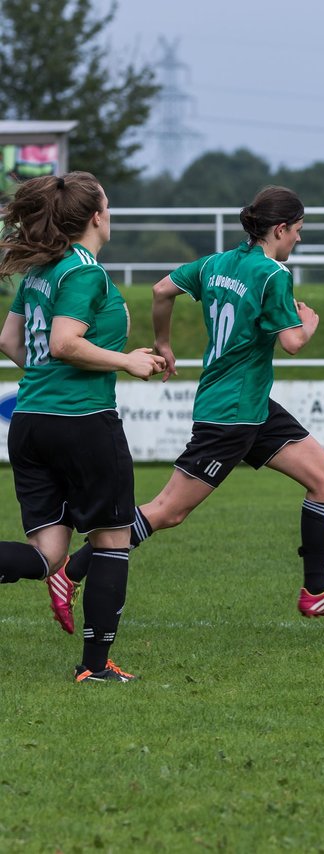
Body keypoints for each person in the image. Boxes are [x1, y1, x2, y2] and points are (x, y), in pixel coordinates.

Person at [50, 186, 324, 626]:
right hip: (231, 415)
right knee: (168, 511)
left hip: (252, 405)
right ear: (280, 229)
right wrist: (310, 321)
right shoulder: (273, 274)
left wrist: (164, 340)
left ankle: (316, 591)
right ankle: (71, 570)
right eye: (297, 231)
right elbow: (293, 342)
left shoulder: (219, 263)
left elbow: (162, 289)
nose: (298, 239)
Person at [0, 171, 166, 681]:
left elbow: (10, 341)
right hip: (83, 424)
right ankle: (95, 668)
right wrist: (125, 361)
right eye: (109, 206)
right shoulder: (83, 272)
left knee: (48, 554)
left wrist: (49, 383)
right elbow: (64, 342)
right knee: (112, 541)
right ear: (96, 216)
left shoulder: (39, 272)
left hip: (30, 423)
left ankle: (95, 665)